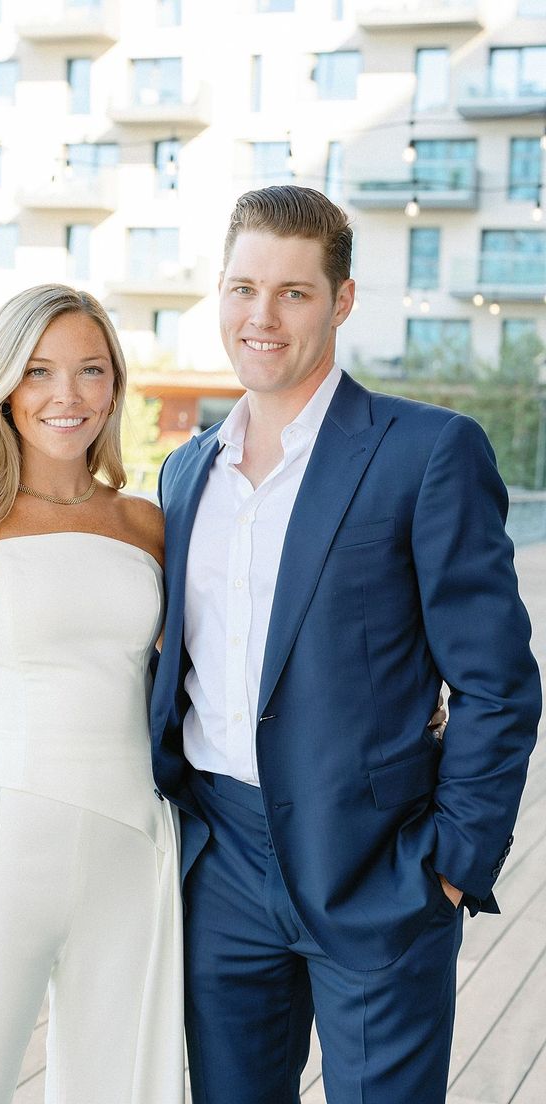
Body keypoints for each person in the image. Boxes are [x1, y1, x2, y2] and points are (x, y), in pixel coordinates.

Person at [147, 187, 541, 1103]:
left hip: (381, 869)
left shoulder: (429, 452)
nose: (263, 316)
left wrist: (450, 865)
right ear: (218, 293)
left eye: (293, 292)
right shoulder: (184, 470)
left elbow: (497, 684)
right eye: (244, 287)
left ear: (343, 300)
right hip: (220, 862)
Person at [0, 284, 184, 1104]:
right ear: (6, 387)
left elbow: (199, 674)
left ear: (115, 385)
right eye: (40, 371)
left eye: (90, 370)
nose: (67, 394)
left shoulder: (146, 525)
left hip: (134, 846)